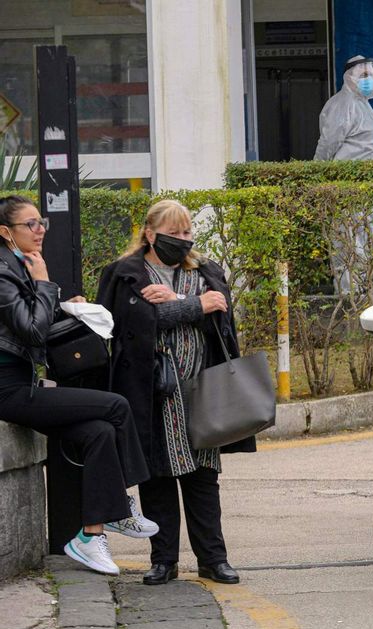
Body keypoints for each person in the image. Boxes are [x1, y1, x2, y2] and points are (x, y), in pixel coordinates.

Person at [97, 199, 255, 586]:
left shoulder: (207, 271)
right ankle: (163, 560)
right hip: (151, 392)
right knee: (157, 478)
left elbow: (221, 317)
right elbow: (134, 325)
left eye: (187, 233)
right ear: (150, 234)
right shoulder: (125, 274)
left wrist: (179, 303)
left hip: (201, 389)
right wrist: (195, 306)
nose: (183, 240)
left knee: (203, 478)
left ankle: (213, 560)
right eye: (174, 233)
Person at [0, 195, 156, 575]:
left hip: (25, 385)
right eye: (30, 225)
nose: (40, 231)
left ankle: (89, 536)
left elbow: (30, 322)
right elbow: (32, 330)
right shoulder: (4, 272)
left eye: (42, 223)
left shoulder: (19, 265)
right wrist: (45, 284)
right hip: (8, 391)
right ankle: (119, 502)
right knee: (115, 406)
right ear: (6, 232)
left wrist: (63, 304)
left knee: (100, 432)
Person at [314, 54, 373, 161]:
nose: (368, 79)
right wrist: (317, 167)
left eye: (370, 75)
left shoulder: (361, 102)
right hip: (352, 174)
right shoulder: (343, 103)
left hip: (365, 173)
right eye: (363, 75)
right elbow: (329, 141)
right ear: (349, 77)